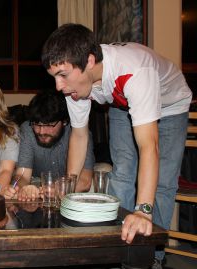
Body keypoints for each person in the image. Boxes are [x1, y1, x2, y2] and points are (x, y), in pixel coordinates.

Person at [41, 23, 192, 265]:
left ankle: (152, 255)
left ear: (89, 61)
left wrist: (143, 210)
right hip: (122, 102)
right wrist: (67, 190)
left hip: (170, 106)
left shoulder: (135, 71)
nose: (59, 86)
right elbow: (79, 136)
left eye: (63, 75)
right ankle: (118, 248)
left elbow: (148, 146)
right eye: (54, 77)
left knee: (162, 184)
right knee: (122, 173)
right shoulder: (76, 87)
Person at [4, 90, 95, 201]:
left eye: (49, 125)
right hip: (38, 187)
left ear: (64, 121)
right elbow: (22, 175)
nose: (41, 131)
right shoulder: (27, 129)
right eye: (37, 124)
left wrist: (59, 190)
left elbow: (85, 181)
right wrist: (23, 188)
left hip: (71, 191)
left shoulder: (79, 133)